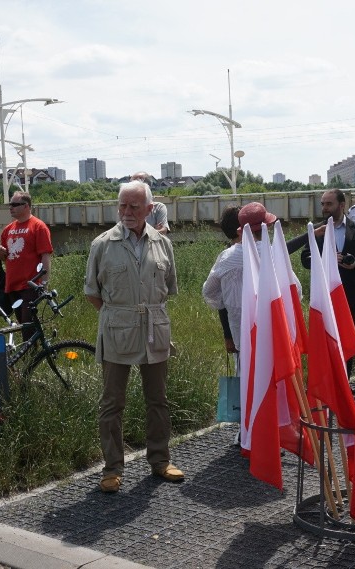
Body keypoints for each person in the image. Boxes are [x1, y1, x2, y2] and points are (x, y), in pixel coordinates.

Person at [84, 180, 183, 493]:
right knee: (112, 402)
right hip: (117, 330)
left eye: (134, 206)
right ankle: (112, 468)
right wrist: (120, 315)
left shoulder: (162, 244)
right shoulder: (103, 244)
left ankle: (160, 460)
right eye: (122, 205)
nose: (126, 212)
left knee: (158, 400)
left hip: (155, 329)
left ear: (149, 209)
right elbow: (92, 293)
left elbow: (167, 289)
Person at [301, 189, 355, 377]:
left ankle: (345, 381)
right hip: (323, 294)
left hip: (349, 292)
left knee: (347, 337)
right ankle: (326, 382)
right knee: (324, 338)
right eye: (323, 204)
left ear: (342, 205)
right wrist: (327, 258)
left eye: (329, 204)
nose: (324, 208)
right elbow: (305, 259)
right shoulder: (316, 230)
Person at [0, 191, 53, 329]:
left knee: (28, 325)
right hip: (12, 285)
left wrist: (44, 283)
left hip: (31, 286)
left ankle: (34, 350)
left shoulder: (38, 227)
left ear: (26, 206)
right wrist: (0, 253)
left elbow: (45, 255)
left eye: (15, 204)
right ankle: (33, 350)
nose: (11, 207)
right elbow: (5, 259)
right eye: (10, 204)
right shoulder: (8, 230)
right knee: (22, 325)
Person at [202, 206, 244, 354]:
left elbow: (214, 295)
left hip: (237, 332)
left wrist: (228, 335)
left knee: (243, 373)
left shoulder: (225, 257)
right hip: (263, 331)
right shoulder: (235, 257)